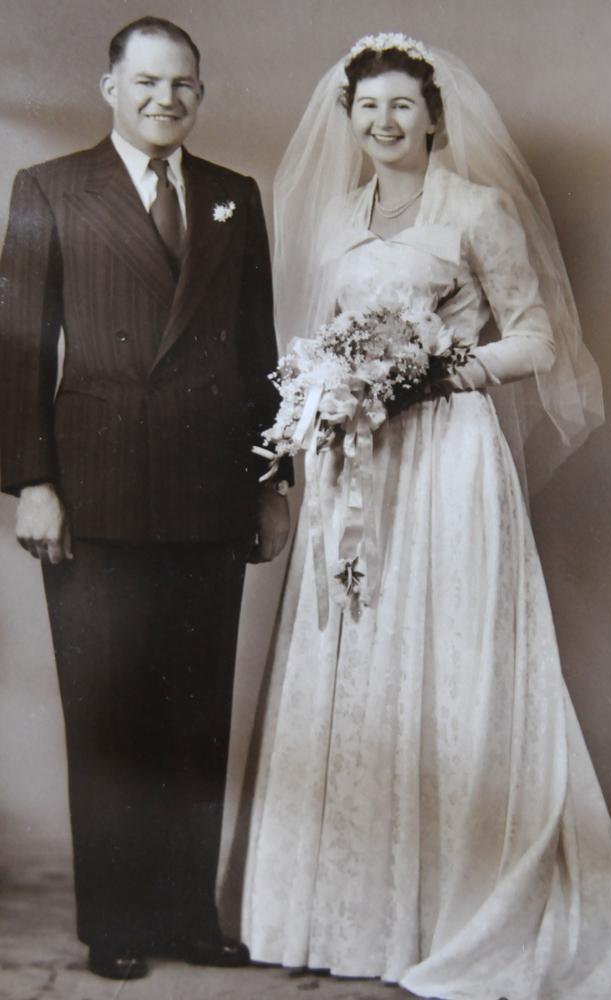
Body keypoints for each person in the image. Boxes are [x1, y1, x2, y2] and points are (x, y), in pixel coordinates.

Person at [241, 34, 611, 999]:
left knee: (449, 652)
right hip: (360, 466)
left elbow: (540, 337)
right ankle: (352, 916)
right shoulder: (339, 217)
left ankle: (453, 908)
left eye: (400, 107)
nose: (383, 123)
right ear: (351, 121)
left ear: (433, 117)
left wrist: (439, 369)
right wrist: (330, 392)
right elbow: (318, 340)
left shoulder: (477, 209)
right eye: (367, 108)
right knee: (362, 657)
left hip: (450, 459)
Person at [0, 16, 290, 982]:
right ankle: (116, 920)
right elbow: (19, 352)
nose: (167, 101)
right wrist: (33, 482)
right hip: (98, 494)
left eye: (185, 87)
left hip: (210, 494)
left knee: (197, 715)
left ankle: (183, 915)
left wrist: (271, 483)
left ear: (200, 96)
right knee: (111, 716)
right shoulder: (48, 190)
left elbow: (260, 355)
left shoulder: (232, 197)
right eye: (149, 83)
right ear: (109, 87)